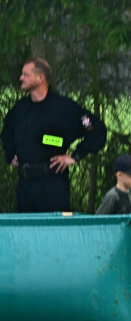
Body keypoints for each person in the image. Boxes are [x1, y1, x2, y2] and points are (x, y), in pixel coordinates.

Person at [1, 58, 107, 213]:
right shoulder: (20, 109)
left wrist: (75, 156)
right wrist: (11, 154)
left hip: (52, 186)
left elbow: (95, 129)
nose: (21, 78)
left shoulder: (64, 108)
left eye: (26, 74)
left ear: (40, 78)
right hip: (25, 187)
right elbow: (6, 132)